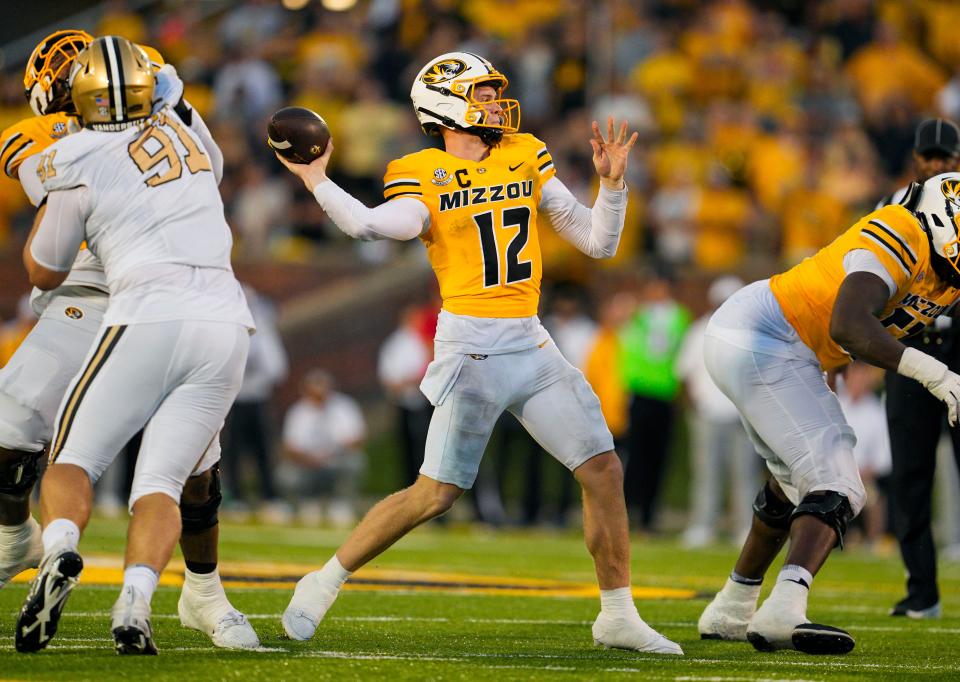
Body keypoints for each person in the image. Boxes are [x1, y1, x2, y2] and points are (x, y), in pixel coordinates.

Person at [275, 52, 681, 654]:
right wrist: (315, 180)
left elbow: (598, 242)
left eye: (495, 92)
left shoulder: (524, 151)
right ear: (445, 105)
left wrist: (612, 184)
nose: (496, 103)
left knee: (603, 469)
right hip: (472, 349)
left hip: (532, 341)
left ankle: (617, 613)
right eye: (483, 93)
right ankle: (324, 579)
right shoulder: (420, 170)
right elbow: (366, 226)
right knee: (436, 494)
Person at [0, 30, 257, 650]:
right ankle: (20, 541)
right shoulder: (99, 127)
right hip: (93, 297)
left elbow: (44, 252)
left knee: (198, 473)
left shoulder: (133, 124)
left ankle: (204, 590)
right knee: (7, 432)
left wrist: (165, 102)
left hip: (150, 295)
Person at [697, 169, 960, 654]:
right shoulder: (903, 229)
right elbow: (849, 323)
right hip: (765, 336)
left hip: (774, 343)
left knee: (792, 481)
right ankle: (783, 609)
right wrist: (937, 374)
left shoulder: (946, 281)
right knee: (838, 482)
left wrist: (834, 365)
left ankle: (732, 606)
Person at [878, 117, 960, 618]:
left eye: (944, 158)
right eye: (929, 157)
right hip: (910, 353)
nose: (936, 165)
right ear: (916, 159)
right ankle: (921, 590)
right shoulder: (891, 207)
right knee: (910, 474)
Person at [676, 275, 757, 548]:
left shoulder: (749, 334)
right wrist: (695, 408)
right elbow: (685, 373)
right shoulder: (698, 331)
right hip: (707, 414)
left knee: (745, 475)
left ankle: (746, 526)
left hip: (740, 417)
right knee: (706, 474)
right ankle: (703, 525)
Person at [619, 266, 691, 531]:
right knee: (634, 456)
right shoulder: (638, 314)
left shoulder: (678, 316)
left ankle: (648, 514)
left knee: (657, 458)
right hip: (639, 391)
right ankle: (628, 512)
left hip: (663, 393)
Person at [222, 284, 288, 509]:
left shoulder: (263, 328)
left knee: (263, 451)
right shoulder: (228, 324)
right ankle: (235, 496)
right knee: (232, 451)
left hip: (258, 397)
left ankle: (269, 495)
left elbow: (276, 367)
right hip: (236, 399)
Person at [278, 369, 366, 525]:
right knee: (286, 474)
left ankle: (341, 504)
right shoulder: (298, 411)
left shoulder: (344, 406)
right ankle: (306, 504)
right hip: (308, 464)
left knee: (355, 461)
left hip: (337, 460)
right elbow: (290, 447)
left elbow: (358, 438)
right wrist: (310, 459)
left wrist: (335, 452)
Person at [837, 361, 891, 550]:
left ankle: (873, 541)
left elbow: (884, 459)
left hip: (862, 478)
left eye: (862, 376)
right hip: (832, 474)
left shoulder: (877, 412)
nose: (857, 381)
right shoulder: (834, 405)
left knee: (873, 497)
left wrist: (864, 471)